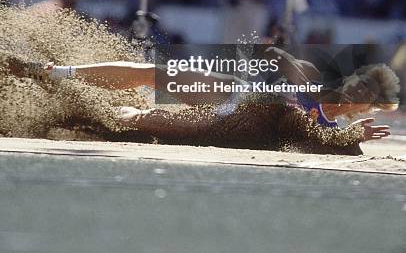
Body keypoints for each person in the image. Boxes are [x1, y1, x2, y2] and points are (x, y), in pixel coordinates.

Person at [3, 46, 397, 147]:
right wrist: (282, 58)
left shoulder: (331, 130)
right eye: (361, 82)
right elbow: (275, 57)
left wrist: (352, 137)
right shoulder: (311, 78)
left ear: (367, 108)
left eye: (367, 95)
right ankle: (53, 73)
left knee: (139, 121)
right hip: (230, 90)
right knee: (151, 72)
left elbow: (316, 143)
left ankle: (81, 110)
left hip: (223, 123)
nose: (357, 91)